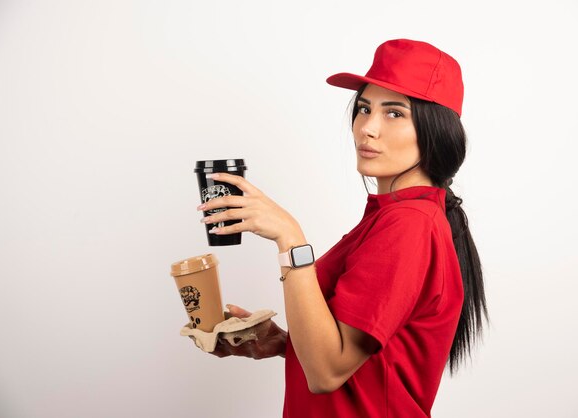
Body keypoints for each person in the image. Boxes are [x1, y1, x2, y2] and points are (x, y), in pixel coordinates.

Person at [196, 38, 489, 418]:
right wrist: (286, 343)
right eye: (364, 108)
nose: (367, 127)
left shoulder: (409, 225)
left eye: (394, 113)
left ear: (437, 131)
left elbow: (327, 372)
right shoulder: (394, 217)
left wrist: (290, 238)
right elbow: (360, 356)